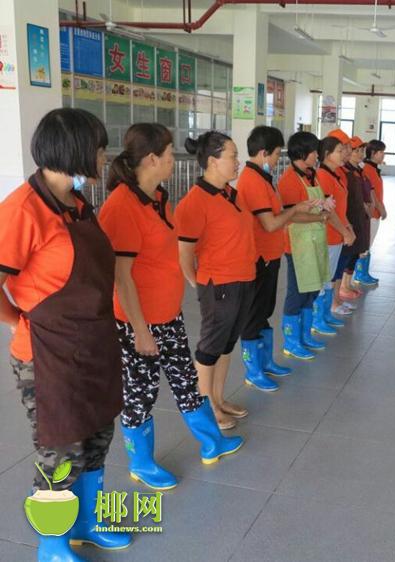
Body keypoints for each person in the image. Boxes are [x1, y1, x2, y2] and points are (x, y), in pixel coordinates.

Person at [0, 108, 131, 559]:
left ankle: (88, 522)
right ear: (77, 150)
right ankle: (52, 544)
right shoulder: (21, 210)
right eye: (98, 147)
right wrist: (19, 320)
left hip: (92, 344)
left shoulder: (76, 204)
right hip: (47, 356)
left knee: (96, 437)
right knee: (61, 451)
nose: (103, 155)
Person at [99, 123, 243, 492]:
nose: (171, 161)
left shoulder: (158, 197)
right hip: (138, 324)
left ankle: (213, 442)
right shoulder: (122, 206)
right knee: (140, 393)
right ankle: (141, 463)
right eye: (166, 155)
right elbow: (122, 277)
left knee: (186, 384)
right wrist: (142, 331)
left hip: (168, 314)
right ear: (151, 159)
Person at [176, 132, 255, 430]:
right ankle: (206, 406)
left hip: (243, 278)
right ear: (212, 161)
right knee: (210, 347)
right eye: (233, 156)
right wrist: (199, 284)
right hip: (219, 284)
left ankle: (219, 399)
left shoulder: (230, 194)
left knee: (226, 344)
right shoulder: (194, 202)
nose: (238, 162)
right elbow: (184, 253)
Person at [236, 126, 313, 390]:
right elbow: (269, 224)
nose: (278, 159)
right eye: (276, 153)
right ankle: (253, 370)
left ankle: (265, 361)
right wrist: (295, 211)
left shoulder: (263, 178)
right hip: (259, 257)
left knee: (264, 311)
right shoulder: (252, 180)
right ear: (263, 152)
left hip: (270, 254)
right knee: (253, 314)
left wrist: (293, 210)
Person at [278, 132, 335, 347]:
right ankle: (291, 342)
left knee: (312, 289)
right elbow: (292, 214)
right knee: (297, 291)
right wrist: (321, 215)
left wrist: (326, 205)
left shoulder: (311, 174)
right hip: (298, 245)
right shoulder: (289, 180)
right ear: (302, 152)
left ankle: (304, 336)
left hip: (315, 240)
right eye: (313, 151)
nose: (316, 155)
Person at [317, 133, 357, 321]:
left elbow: (340, 208)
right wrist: (344, 231)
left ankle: (326, 313)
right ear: (326, 154)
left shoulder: (335, 175)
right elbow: (329, 213)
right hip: (328, 235)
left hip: (337, 235)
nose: (344, 154)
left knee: (330, 276)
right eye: (339, 151)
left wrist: (348, 228)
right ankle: (320, 317)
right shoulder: (323, 176)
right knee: (325, 279)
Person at [340, 136, 372, 300]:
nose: (360, 154)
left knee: (355, 252)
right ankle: (343, 286)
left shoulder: (358, 171)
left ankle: (348, 283)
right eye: (356, 151)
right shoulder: (345, 172)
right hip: (351, 218)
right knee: (348, 254)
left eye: (362, 151)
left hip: (360, 218)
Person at [357, 140, 387, 285]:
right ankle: (360, 274)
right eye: (381, 152)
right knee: (366, 243)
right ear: (373, 153)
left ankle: (363, 272)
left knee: (368, 243)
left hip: (375, 213)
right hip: (371, 214)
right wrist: (381, 208)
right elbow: (371, 192)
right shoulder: (368, 169)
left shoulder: (373, 168)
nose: (383, 155)